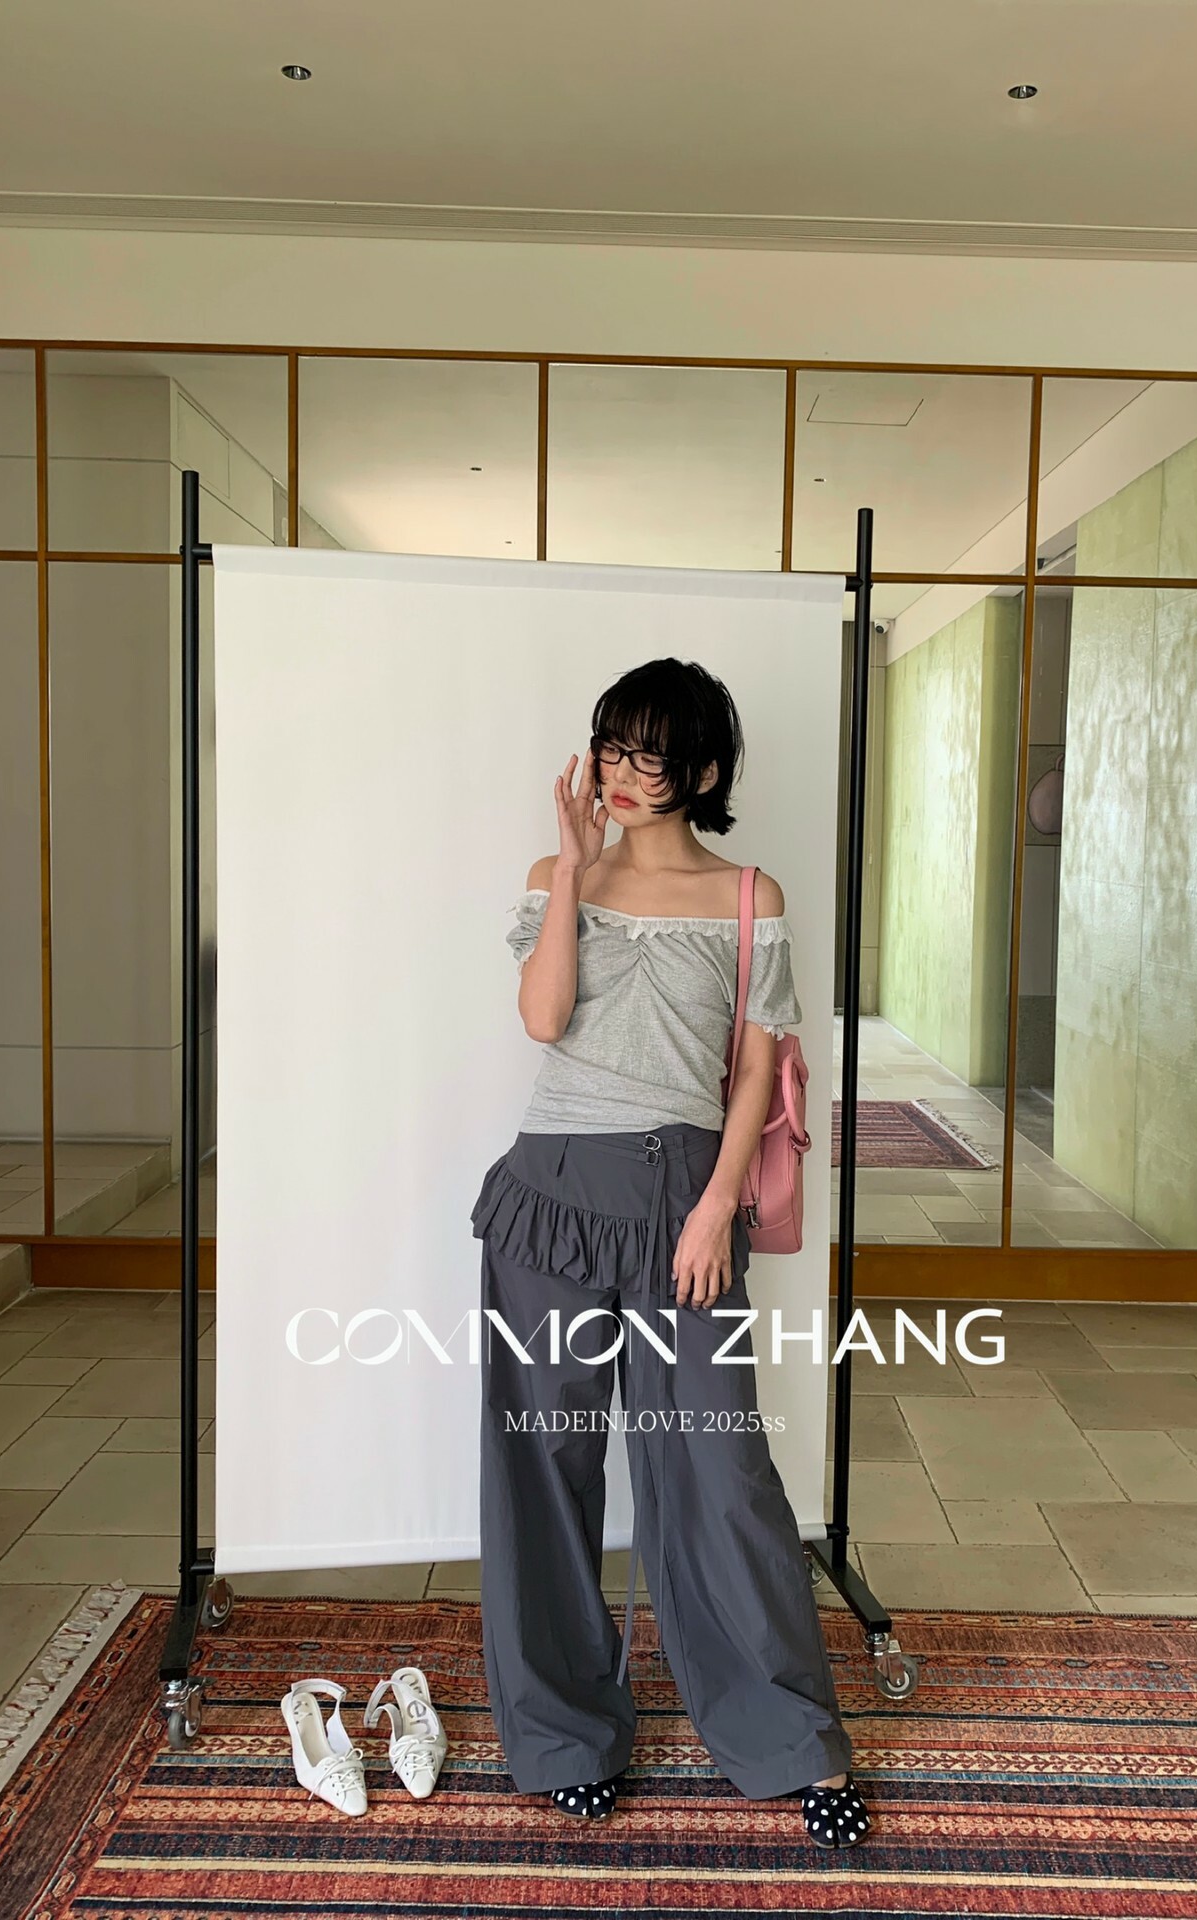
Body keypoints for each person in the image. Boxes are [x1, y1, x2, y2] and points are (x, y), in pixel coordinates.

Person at [470, 656, 870, 1849]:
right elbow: (542, 1019)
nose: (623, 771)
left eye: (649, 753)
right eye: (611, 745)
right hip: (550, 1196)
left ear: (699, 770)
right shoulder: (557, 877)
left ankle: (787, 1737)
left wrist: (713, 1206)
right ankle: (563, 1735)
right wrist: (572, 867)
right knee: (543, 1461)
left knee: (717, 1470)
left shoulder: (748, 894)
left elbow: (752, 1066)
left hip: (683, 1202)